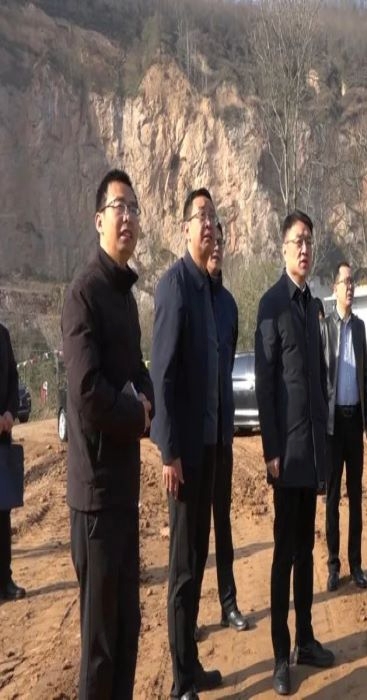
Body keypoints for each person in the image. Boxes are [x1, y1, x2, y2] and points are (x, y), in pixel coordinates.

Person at [61, 169, 154, 698]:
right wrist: (137, 414)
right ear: (99, 220)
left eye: (134, 208)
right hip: (94, 497)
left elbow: (138, 371)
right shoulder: (84, 294)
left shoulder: (125, 298)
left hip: (124, 490)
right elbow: (88, 392)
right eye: (119, 207)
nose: (128, 217)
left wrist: (147, 400)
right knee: (99, 645)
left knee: (127, 628)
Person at [255, 210, 334, 696]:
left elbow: (319, 381)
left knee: (306, 551)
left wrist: (325, 446)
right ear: (283, 248)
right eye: (296, 241)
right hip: (286, 453)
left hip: (313, 451)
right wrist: (270, 449)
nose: (304, 249)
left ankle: (306, 639)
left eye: (309, 241)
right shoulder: (272, 305)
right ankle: (280, 655)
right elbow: (266, 385)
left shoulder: (314, 307)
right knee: (284, 554)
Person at [150, 188, 223, 699]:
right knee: (181, 568)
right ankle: (180, 683)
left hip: (211, 449)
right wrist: (168, 451)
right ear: (185, 229)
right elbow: (163, 376)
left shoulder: (208, 292)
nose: (209, 224)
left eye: (213, 217)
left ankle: (192, 665)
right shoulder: (174, 287)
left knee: (198, 559)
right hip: (184, 457)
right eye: (200, 216)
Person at [201, 223, 249, 632]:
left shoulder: (230, 306)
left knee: (223, 523)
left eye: (221, 243)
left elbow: (228, 363)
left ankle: (228, 603)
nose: (216, 248)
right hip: (194, 438)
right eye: (211, 242)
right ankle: (188, 617)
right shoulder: (187, 298)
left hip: (223, 433)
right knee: (193, 534)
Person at [321, 262, 367, 593]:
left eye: (352, 282)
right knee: (332, 498)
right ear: (334, 288)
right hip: (333, 424)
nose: (350, 287)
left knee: (355, 496)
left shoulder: (360, 327)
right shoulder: (325, 328)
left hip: (355, 422)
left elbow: (365, 374)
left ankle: (356, 564)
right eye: (345, 282)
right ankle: (333, 565)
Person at [0, 323, 24, 602]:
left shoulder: (3, 334)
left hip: (3, 437)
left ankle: (4, 579)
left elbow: (13, 377)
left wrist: (9, 412)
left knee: (2, 511)